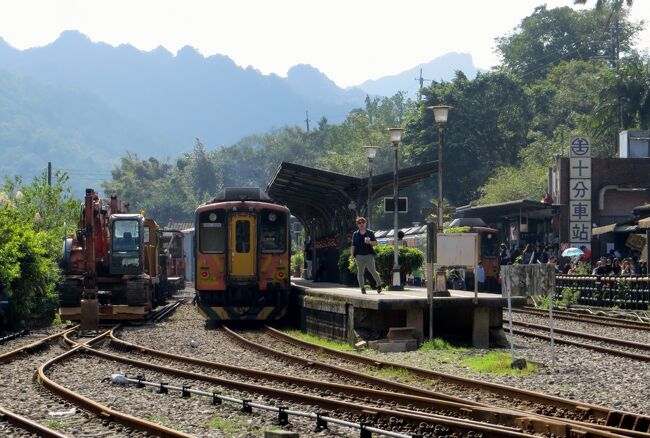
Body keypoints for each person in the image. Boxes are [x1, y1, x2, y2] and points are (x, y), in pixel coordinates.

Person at [350, 217, 383, 294]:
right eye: (359, 223)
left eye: (363, 223)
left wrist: (369, 242)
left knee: (373, 271)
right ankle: (362, 288)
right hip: (359, 255)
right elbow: (353, 245)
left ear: (365, 223)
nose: (361, 224)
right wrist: (352, 254)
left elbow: (376, 243)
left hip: (369, 255)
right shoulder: (355, 234)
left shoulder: (370, 233)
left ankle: (379, 284)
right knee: (360, 272)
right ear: (357, 225)